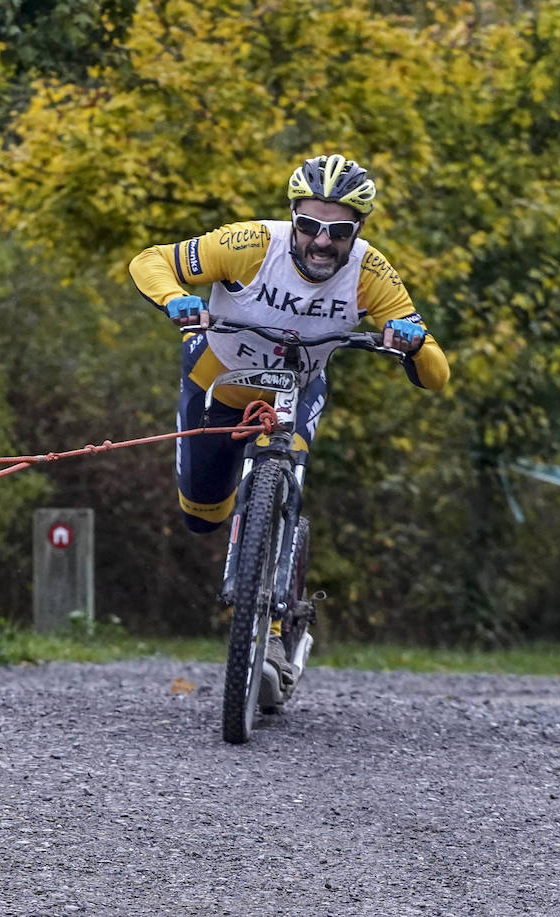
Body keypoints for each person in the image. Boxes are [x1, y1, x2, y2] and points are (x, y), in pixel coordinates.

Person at [128, 153, 449, 686]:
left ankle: (276, 632)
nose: (322, 242)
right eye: (310, 226)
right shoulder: (250, 244)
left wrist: (415, 345)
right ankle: (241, 536)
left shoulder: (372, 273)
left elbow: (437, 373)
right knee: (200, 515)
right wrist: (176, 299)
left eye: (339, 232)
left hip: (296, 391)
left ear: (358, 230)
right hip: (220, 379)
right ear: (293, 219)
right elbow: (150, 260)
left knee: (289, 471)